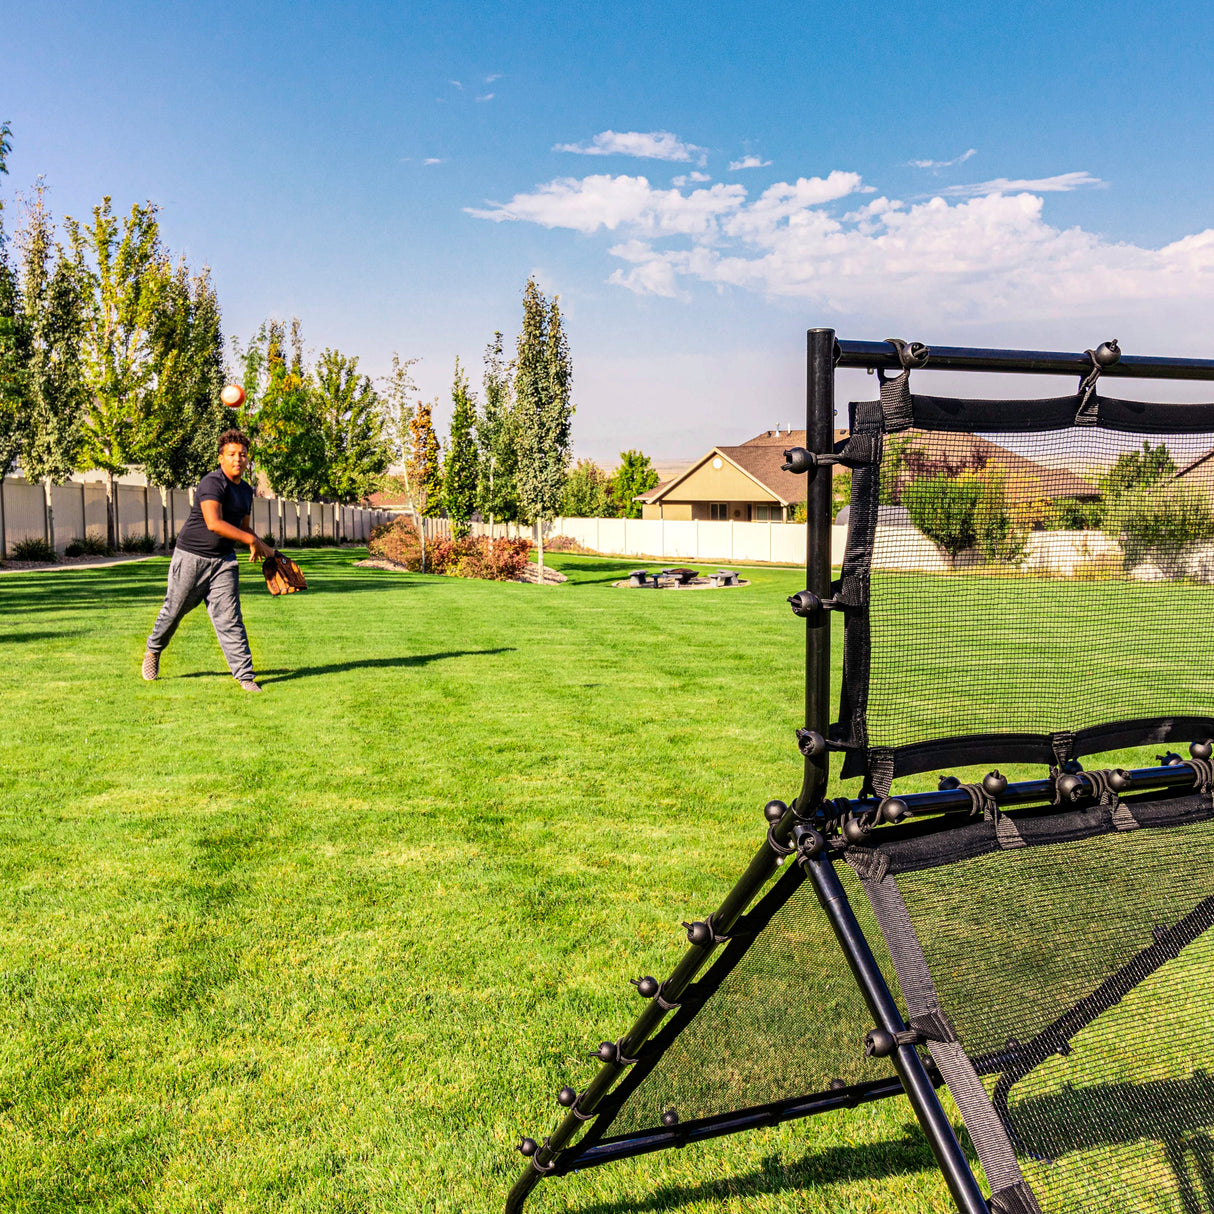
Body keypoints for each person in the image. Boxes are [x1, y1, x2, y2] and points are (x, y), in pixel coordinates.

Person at [142, 429, 275, 691]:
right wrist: (250, 542)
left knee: (230, 617)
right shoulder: (212, 483)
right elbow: (214, 523)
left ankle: (245, 676)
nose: (238, 459)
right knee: (174, 610)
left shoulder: (247, 491)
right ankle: (153, 650)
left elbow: (245, 529)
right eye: (232, 454)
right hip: (191, 557)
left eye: (243, 455)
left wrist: (270, 552)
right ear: (221, 458)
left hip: (224, 561)